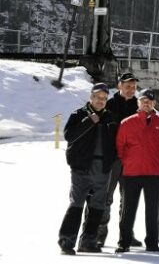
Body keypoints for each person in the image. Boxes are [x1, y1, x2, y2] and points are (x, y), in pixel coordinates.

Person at [58, 83, 117, 255]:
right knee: (76, 203)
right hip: (81, 168)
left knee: (97, 206)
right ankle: (66, 242)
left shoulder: (110, 118)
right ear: (91, 97)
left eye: (104, 98)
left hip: (102, 168)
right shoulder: (79, 114)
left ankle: (88, 242)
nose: (100, 101)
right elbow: (69, 136)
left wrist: (110, 162)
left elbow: (116, 143)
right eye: (97, 97)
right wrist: (89, 121)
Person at [115, 89, 159, 253]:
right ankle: (124, 242)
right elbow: (120, 146)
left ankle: (152, 243)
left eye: (149, 100)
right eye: (143, 100)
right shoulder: (127, 123)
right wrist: (127, 161)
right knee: (128, 209)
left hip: (154, 174)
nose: (146, 103)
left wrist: (158, 159)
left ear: (154, 104)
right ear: (138, 103)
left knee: (153, 210)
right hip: (131, 174)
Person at [96, 72, 141, 248]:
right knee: (106, 197)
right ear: (119, 86)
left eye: (134, 86)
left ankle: (127, 234)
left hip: (132, 160)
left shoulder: (139, 105)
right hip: (112, 159)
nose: (131, 89)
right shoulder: (109, 104)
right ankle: (100, 234)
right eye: (127, 85)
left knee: (128, 199)